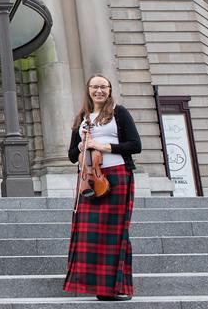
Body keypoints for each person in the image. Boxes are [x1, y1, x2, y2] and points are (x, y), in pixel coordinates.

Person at [64, 74, 142, 301]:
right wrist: (80, 145)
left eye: (103, 87)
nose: (99, 91)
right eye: (94, 87)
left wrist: (102, 145)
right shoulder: (81, 117)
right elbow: (71, 156)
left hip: (116, 177)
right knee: (89, 234)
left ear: (109, 90)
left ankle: (116, 287)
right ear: (88, 90)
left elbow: (135, 145)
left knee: (115, 233)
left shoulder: (120, 113)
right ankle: (98, 286)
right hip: (89, 179)